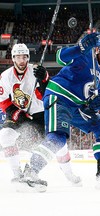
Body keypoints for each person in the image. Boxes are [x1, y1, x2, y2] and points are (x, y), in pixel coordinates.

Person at [20, 33, 100, 191]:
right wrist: (80, 47)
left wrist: (94, 105)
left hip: (77, 106)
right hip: (60, 97)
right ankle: (30, 172)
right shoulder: (84, 54)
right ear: (97, 49)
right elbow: (59, 57)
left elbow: (90, 100)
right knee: (58, 138)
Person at [0, 43, 81, 187]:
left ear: (28, 57)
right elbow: (3, 100)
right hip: (18, 113)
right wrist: (16, 113)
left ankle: (68, 172)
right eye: (18, 57)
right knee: (5, 135)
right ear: (13, 58)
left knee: (57, 142)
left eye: (24, 57)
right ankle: (17, 174)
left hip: (39, 113)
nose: (21, 61)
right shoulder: (5, 77)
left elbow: (48, 92)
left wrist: (44, 79)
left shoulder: (35, 70)